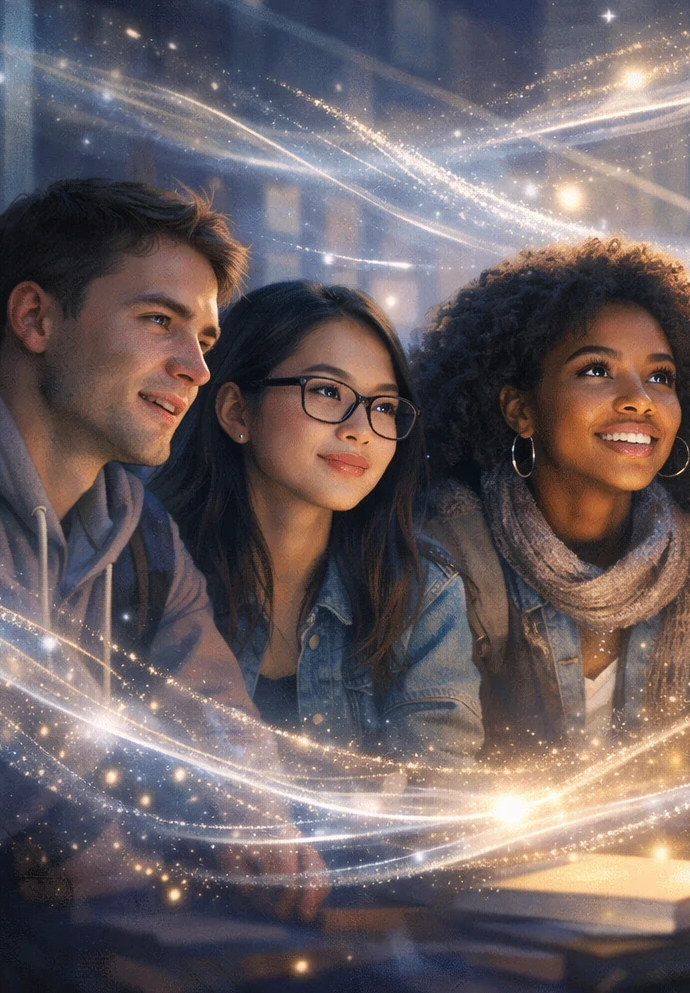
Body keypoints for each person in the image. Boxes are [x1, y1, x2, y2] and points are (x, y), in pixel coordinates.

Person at [0, 180, 325, 983]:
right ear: (35, 319)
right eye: (159, 321)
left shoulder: (142, 535)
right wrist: (82, 839)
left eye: (204, 337)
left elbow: (211, 718)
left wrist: (258, 825)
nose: (196, 368)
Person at [411, 237, 690, 763]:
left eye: (660, 377)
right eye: (596, 370)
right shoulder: (445, 558)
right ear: (521, 410)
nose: (640, 400)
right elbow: (434, 772)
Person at [152, 281, 480, 767]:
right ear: (237, 410)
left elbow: (438, 791)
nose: (360, 430)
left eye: (384, 407)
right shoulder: (144, 567)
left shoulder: (420, 592)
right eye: (327, 391)